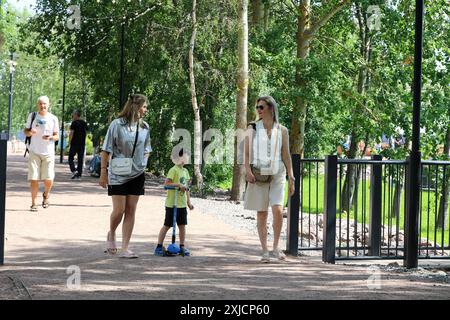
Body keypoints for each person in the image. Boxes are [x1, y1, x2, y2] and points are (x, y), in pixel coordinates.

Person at [99, 94, 151, 259]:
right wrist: (103, 172)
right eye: (144, 107)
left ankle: (125, 247)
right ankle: (112, 233)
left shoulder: (144, 127)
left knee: (131, 210)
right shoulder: (117, 125)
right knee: (119, 210)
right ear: (136, 107)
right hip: (118, 173)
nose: (146, 110)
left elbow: (147, 148)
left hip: (137, 173)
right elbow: (106, 149)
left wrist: (143, 163)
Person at [243, 95, 295, 263]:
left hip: (278, 173)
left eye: (261, 107)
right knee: (262, 212)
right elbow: (246, 153)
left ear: (271, 109)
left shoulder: (283, 130)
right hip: (258, 174)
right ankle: (265, 250)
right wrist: (248, 170)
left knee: (278, 210)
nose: (258, 110)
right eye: (257, 107)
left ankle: (276, 247)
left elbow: (286, 155)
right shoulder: (252, 128)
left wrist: (291, 176)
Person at [154, 149, 194, 256]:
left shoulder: (185, 172)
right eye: (186, 156)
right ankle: (158, 246)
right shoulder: (173, 170)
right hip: (172, 204)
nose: (188, 158)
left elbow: (187, 189)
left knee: (182, 225)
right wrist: (178, 185)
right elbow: (167, 184)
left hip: (181, 204)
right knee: (167, 225)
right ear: (180, 158)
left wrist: (188, 203)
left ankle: (182, 246)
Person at [23, 96, 60, 212]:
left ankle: (46, 194)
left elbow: (57, 135)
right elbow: (25, 131)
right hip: (34, 151)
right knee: (34, 178)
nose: (42, 106)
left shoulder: (53, 118)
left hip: (48, 152)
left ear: (49, 105)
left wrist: (50, 138)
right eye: (40, 104)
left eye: (44, 104)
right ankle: (33, 203)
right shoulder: (32, 116)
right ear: (37, 104)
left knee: (48, 179)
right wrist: (30, 132)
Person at [68, 110, 88, 179]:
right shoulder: (84, 123)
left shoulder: (74, 123)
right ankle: (79, 174)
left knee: (70, 158)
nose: (72, 116)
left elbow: (71, 133)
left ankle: (74, 170)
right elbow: (86, 133)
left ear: (76, 115)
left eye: (73, 115)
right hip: (82, 144)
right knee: (80, 159)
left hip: (74, 143)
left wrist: (69, 142)